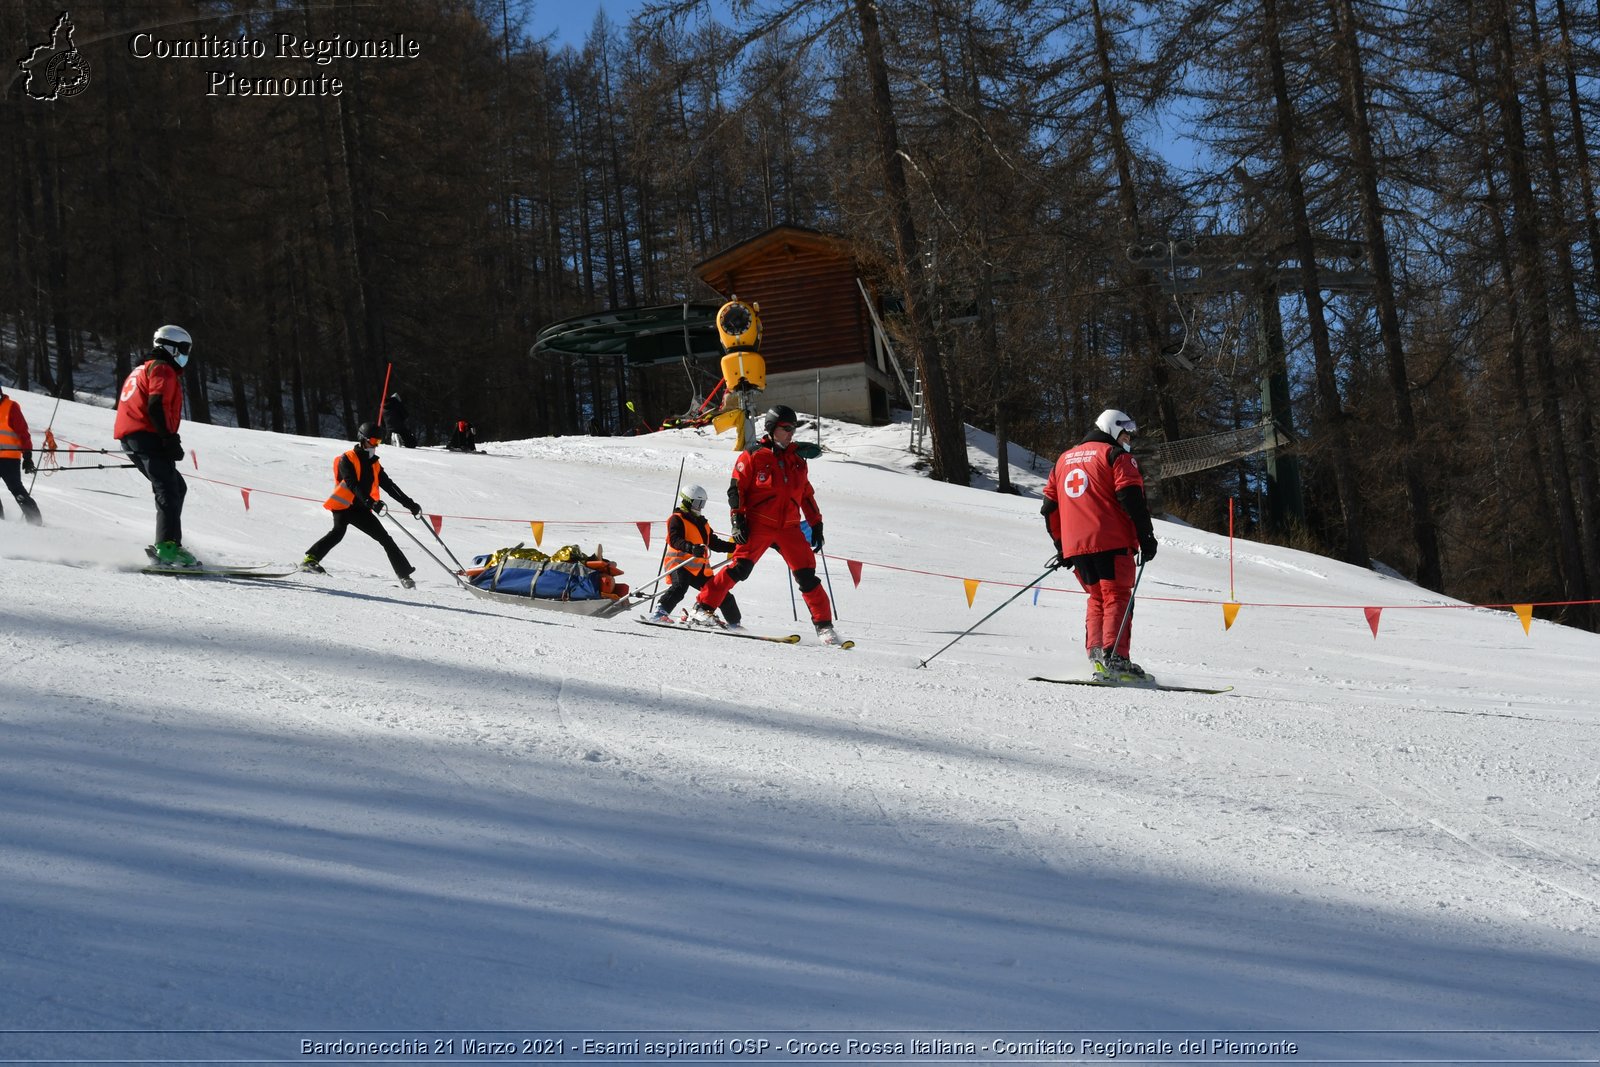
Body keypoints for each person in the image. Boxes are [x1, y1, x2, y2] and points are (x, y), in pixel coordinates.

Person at [689, 405, 843, 645]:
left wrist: (816, 524)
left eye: (793, 428)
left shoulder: (798, 461)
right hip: (759, 524)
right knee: (740, 568)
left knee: (807, 576)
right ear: (772, 429)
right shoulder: (753, 455)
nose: (791, 433)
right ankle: (702, 607)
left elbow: (806, 496)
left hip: (789, 528)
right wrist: (737, 521)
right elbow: (736, 489)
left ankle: (825, 627)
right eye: (786, 428)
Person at [1041, 407, 1158, 680]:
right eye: (1126, 434)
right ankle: (1115, 658)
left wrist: (1062, 546)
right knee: (1117, 596)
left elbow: (1049, 508)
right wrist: (1146, 536)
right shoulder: (1115, 456)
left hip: (1076, 546)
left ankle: (1097, 654)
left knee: (1097, 597)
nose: (1128, 440)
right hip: (1111, 540)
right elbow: (1131, 497)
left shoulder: (1063, 460)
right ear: (1113, 428)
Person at [301, 422, 424, 588]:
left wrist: (409, 504)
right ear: (362, 439)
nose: (375, 445)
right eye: (373, 440)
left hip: (361, 509)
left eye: (379, 441)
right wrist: (371, 502)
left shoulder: (374, 462)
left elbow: (389, 485)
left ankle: (404, 576)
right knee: (338, 532)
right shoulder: (347, 458)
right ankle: (310, 560)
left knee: (385, 539)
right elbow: (352, 484)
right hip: (344, 505)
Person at [114, 325, 196, 565]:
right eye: (183, 349)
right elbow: (156, 405)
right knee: (168, 488)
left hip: (134, 436)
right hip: (147, 434)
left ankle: (171, 543)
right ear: (170, 347)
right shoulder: (162, 368)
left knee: (175, 486)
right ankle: (166, 547)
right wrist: (169, 439)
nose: (185, 354)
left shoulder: (142, 368)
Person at [648, 484, 742, 628]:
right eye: (698, 503)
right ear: (687, 501)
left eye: (702, 503)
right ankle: (659, 613)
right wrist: (691, 548)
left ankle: (735, 623)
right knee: (680, 586)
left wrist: (736, 547)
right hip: (678, 563)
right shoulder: (677, 519)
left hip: (698, 568)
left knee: (719, 590)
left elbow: (714, 543)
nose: (700, 507)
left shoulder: (702, 523)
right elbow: (674, 540)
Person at [0, 383, 44, 525]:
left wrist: (27, 456)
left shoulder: (10, 407)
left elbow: (23, 433)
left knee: (16, 490)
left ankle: (35, 521)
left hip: (9, 460)